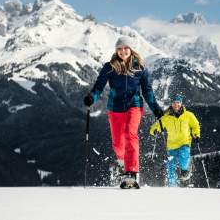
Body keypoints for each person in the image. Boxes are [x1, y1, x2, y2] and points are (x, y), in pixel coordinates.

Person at [83, 36, 163, 189]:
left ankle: (131, 173)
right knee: (118, 143)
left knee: (130, 134)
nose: (123, 51)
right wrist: (91, 98)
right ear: (116, 50)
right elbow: (99, 87)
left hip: (135, 105)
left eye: (126, 48)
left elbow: (147, 91)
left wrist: (156, 108)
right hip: (115, 108)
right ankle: (121, 161)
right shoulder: (110, 67)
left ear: (131, 49)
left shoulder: (140, 68)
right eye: (119, 48)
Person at [149, 94, 200, 187]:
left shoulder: (188, 115)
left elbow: (195, 126)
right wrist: (154, 131)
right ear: (171, 104)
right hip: (172, 145)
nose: (177, 104)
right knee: (170, 165)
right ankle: (172, 185)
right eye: (175, 102)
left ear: (181, 104)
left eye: (178, 102)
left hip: (185, 142)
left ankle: (185, 170)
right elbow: (157, 125)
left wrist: (196, 135)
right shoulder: (166, 117)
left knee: (184, 156)